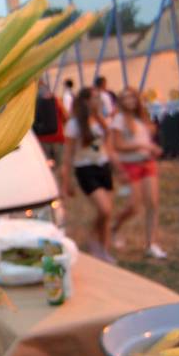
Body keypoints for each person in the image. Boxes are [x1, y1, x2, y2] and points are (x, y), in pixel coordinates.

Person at [60, 87, 119, 264]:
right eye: (94, 98)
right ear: (85, 101)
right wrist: (66, 182)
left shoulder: (100, 120)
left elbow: (107, 142)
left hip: (103, 166)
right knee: (104, 209)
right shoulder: (74, 124)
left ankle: (104, 249)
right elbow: (68, 155)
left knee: (108, 214)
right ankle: (92, 237)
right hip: (85, 169)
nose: (98, 101)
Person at [109, 88, 166, 259]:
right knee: (133, 206)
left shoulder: (141, 117)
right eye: (125, 98)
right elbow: (117, 145)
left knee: (153, 203)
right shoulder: (118, 120)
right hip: (130, 164)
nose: (130, 101)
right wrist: (143, 147)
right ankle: (114, 227)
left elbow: (144, 139)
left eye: (132, 97)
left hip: (147, 163)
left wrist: (151, 147)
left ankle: (151, 243)